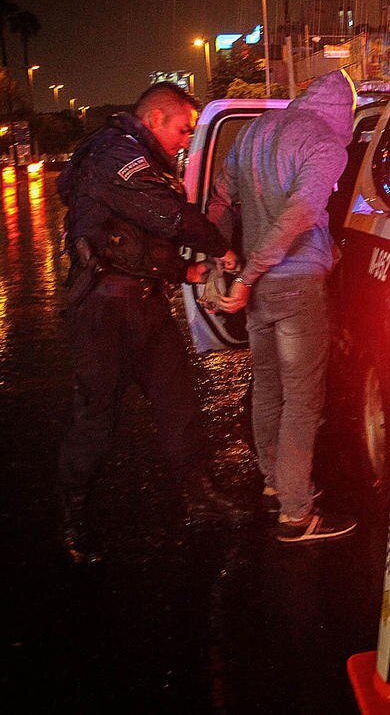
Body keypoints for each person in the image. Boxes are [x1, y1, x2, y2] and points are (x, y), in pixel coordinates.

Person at [57, 82, 242, 567]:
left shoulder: (138, 157)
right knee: (95, 418)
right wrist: (221, 249)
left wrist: (183, 272)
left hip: (143, 302)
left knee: (178, 402)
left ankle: (199, 496)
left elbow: (130, 242)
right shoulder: (115, 155)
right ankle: (74, 518)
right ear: (155, 119)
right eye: (183, 130)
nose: (186, 140)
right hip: (104, 312)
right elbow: (166, 217)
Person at [207, 69, 358, 543]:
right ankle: (298, 514)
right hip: (294, 286)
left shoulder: (254, 130)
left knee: (268, 388)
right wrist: (248, 276)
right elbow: (301, 212)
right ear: (346, 115)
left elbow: (218, 199)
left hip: (259, 288)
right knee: (303, 402)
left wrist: (223, 261)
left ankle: (274, 480)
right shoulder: (326, 145)